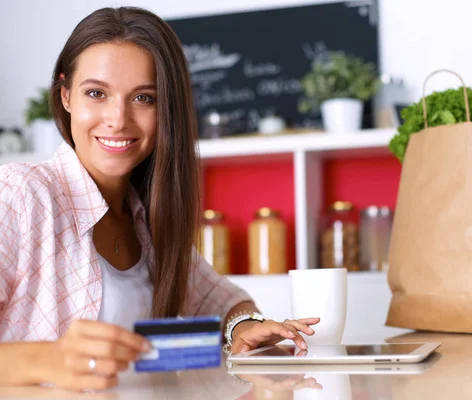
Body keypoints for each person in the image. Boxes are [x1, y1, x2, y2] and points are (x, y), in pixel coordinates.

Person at [0, 6, 319, 392]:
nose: (118, 119)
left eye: (144, 98)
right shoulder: (19, 195)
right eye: (96, 93)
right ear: (66, 95)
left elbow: (222, 301)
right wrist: (48, 358)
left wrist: (244, 327)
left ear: (166, 108)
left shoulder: (147, 219)